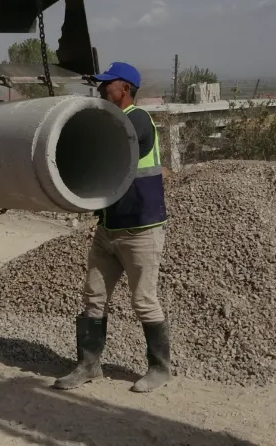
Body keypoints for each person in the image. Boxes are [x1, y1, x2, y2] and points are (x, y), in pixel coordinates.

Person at [53, 61, 170, 393]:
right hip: (108, 229)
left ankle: (160, 369)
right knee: (93, 297)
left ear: (125, 89)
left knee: (144, 300)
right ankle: (88, 366)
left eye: (108, 84)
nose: (102, 89)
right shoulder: (114, 119)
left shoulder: (137, 121)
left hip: (141, 229)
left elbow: (110, 146)